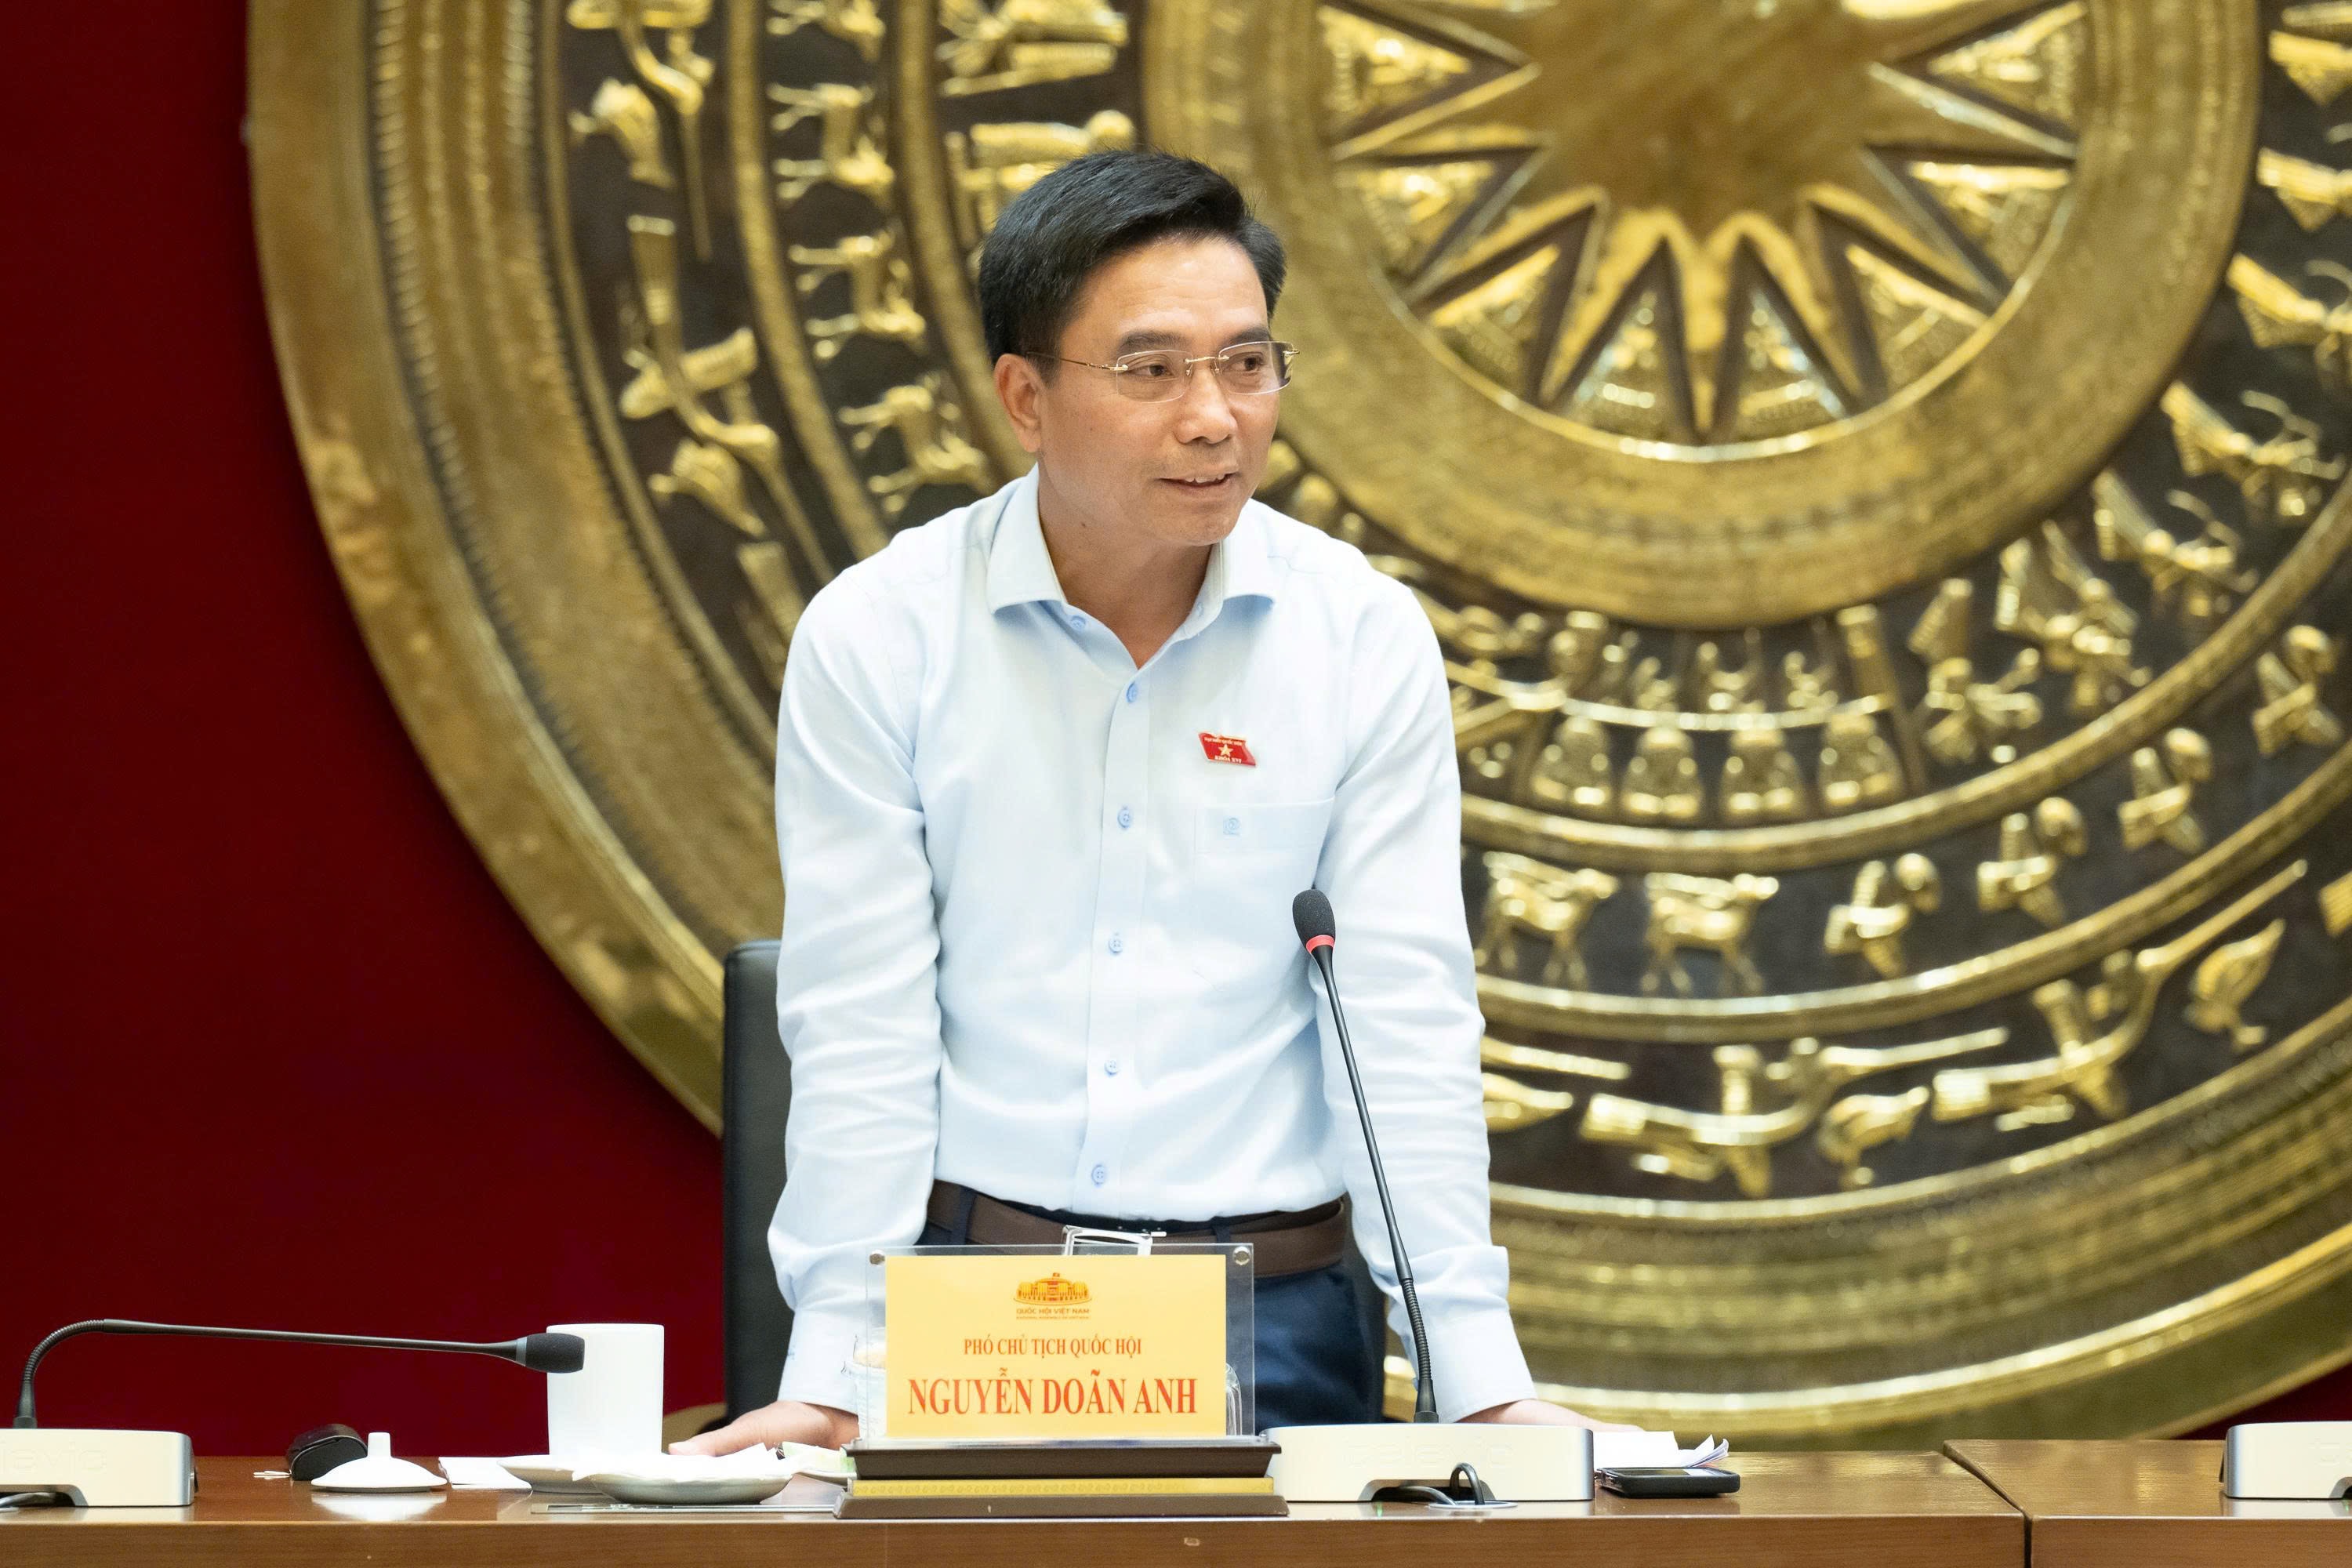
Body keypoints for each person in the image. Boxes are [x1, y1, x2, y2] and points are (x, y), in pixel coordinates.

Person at [681, 150, 1611, 1455]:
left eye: (1247, 364)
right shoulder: (884, 634)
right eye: (1153, 369)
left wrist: (1477, 1380)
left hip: (1273, 1318)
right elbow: (862, 1027)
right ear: (1026, 397)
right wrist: (835, 1369)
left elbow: (1401, 1017)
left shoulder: (1358, 636)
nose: (1214, 417)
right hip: (977, 1317)